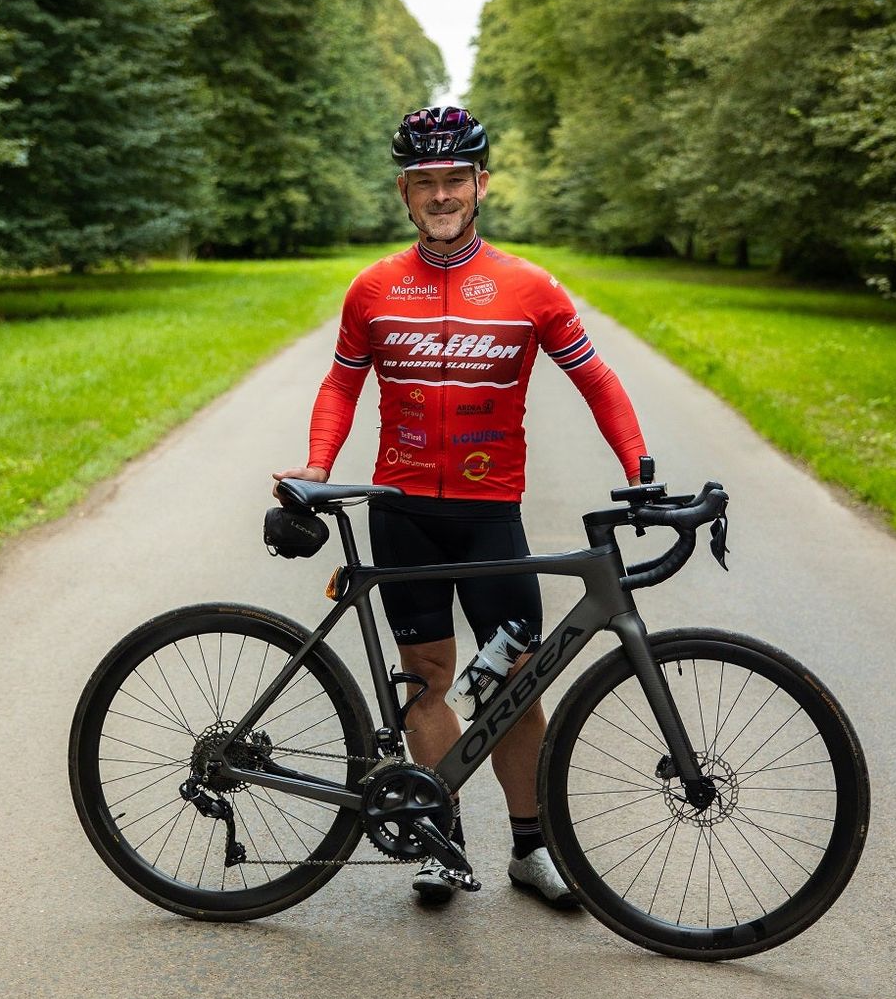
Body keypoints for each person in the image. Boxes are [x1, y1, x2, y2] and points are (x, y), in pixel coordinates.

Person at [275, 105, 647, 907]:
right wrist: (314, 467)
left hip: (489, 513)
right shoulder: (373, 288)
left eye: (454, 180)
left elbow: (598, 380)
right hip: (401, 511)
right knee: (428, 678)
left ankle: (530, 848)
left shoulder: (529, 287)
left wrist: (639, 467)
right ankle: (441, 842)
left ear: (480, 184)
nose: (441, 195)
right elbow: (341, 384)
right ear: (405, 193)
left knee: (514, 682)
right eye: (424, 183)